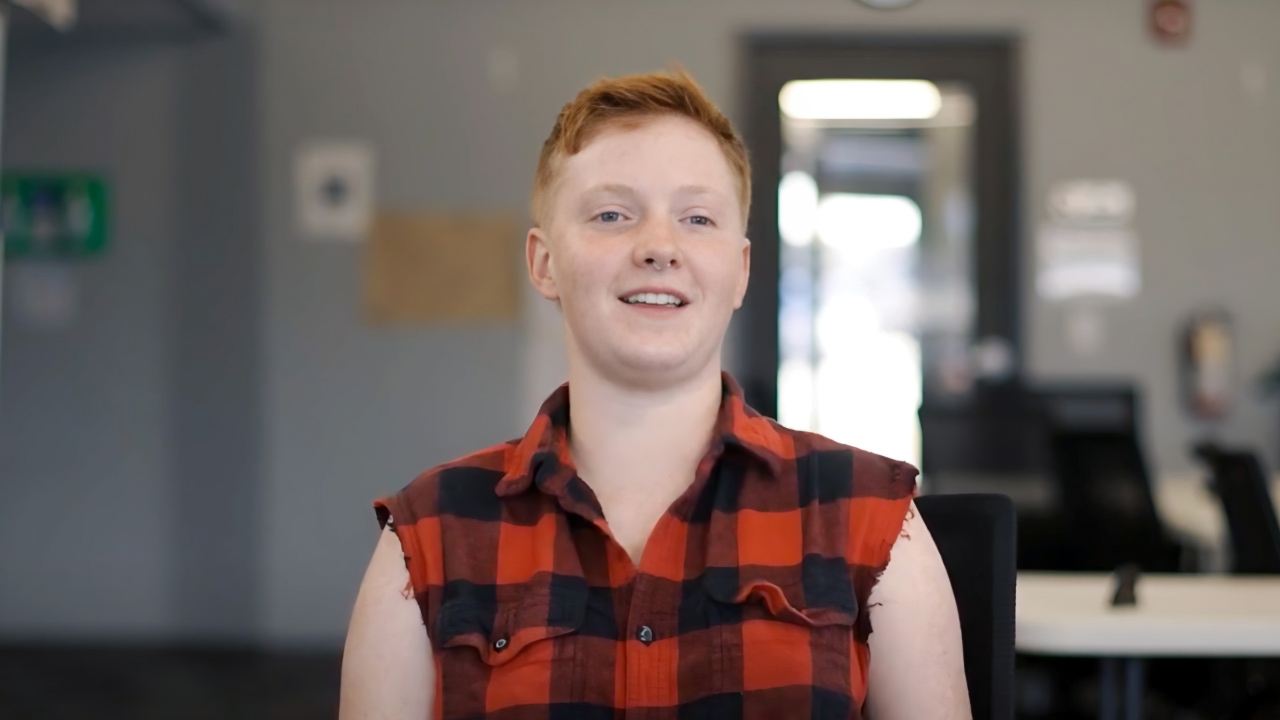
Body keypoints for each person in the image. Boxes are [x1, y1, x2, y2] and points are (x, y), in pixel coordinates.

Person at [340, 67, 969, 719]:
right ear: (544, 263)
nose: (660, 247)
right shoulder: (428, 535)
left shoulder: (871, 517)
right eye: (612, 214)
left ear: (740, 271)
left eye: (697, 218)